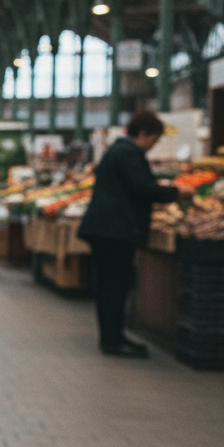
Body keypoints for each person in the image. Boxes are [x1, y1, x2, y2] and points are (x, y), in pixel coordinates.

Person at [76, 112, 184, 358]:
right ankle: (113, 341)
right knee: (116, 285)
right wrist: (175, 193)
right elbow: (143, 188)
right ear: (143, 133)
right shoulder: (128, 153)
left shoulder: (118, 151)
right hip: (115, 230)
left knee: (109, 285)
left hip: (106, 228)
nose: (153, 146)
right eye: (154, 140)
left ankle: (114, 337)